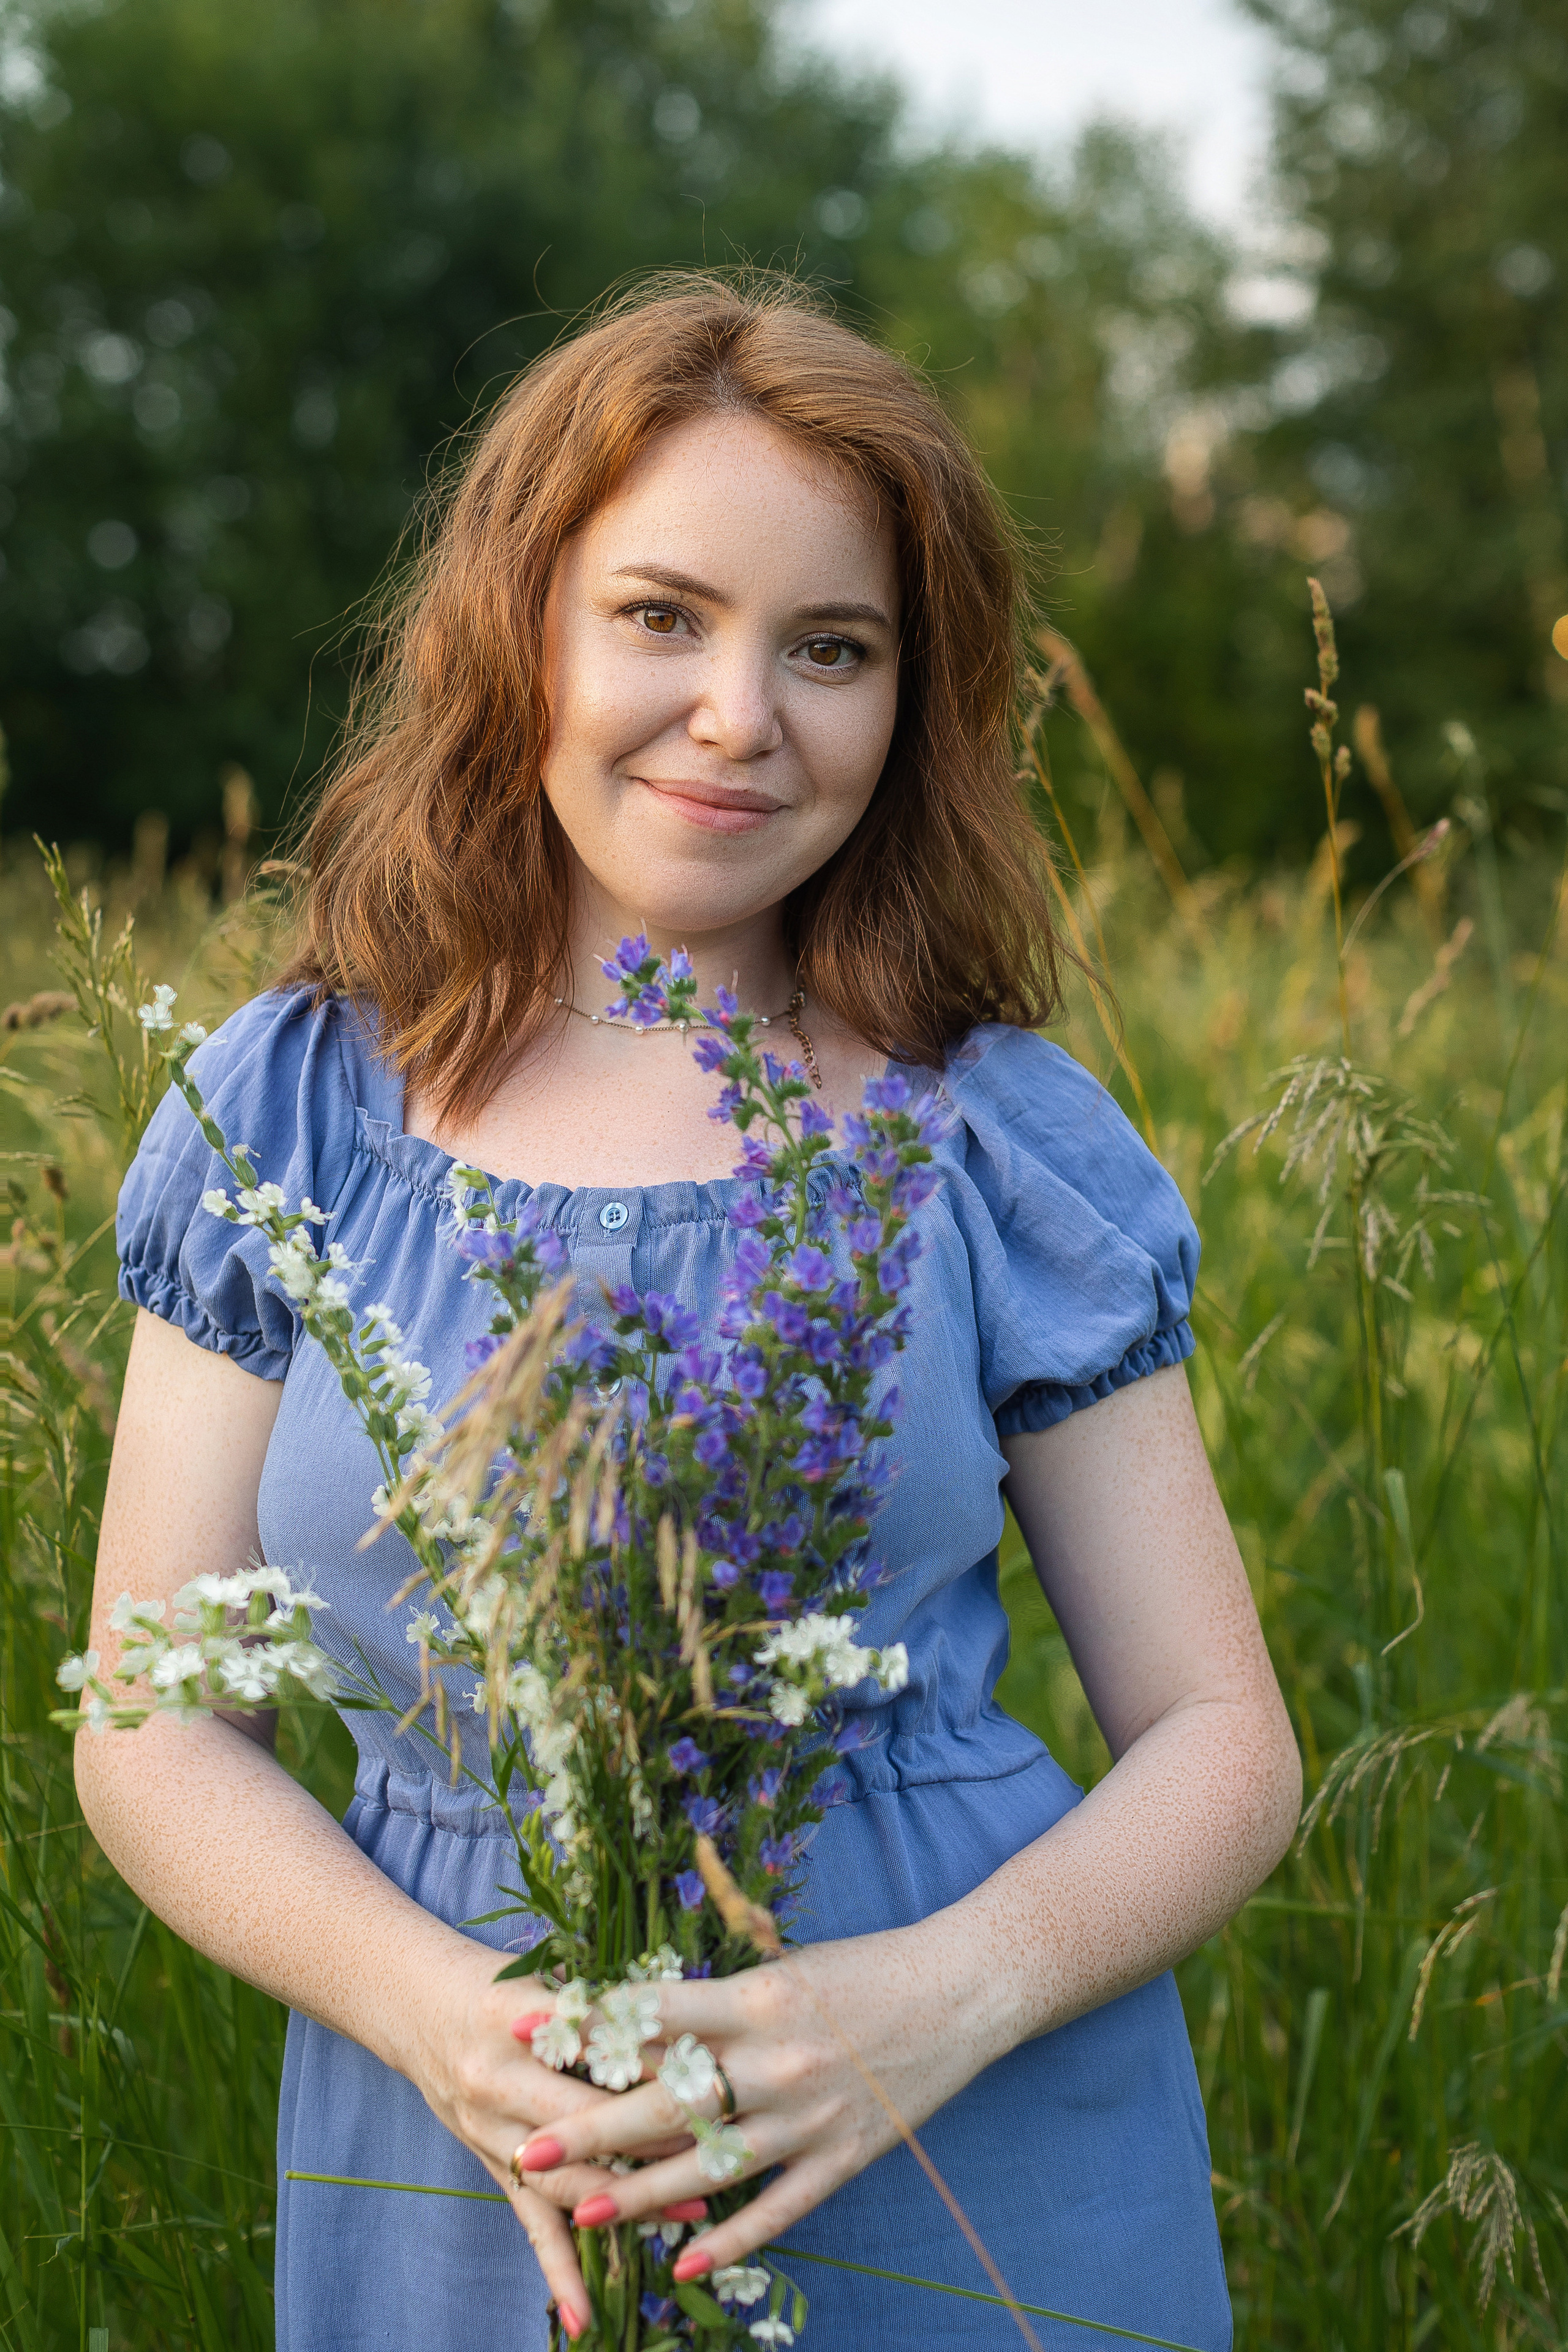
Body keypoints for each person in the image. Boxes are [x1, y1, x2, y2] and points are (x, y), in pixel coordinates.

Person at [78, 273, 1301, 2351]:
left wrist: (938, 2003)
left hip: (955, 2124)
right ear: (518, 628)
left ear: (914, 704)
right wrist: (440, 2016)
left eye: (834, 649)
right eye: (661, 615)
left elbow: (1225, 1744)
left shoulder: (992, 1137)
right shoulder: (293, 1106)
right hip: (474, 2134)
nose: (745, 711)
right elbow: (148, 1721)